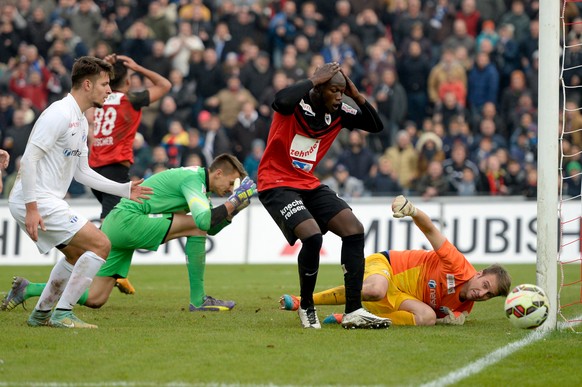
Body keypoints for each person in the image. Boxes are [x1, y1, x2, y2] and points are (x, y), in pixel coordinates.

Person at [2, 155, 256, 314]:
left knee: (95, 299)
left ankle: (29, 289)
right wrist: (234, 202)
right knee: (196, 226)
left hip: (119, 223)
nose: (229, 189)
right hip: (128, 221)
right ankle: (198, 300)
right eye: (231, 183)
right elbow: (203, 222)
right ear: (219, 173)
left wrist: (233, 210)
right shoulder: (194, 180)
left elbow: (210, 224)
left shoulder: (197, 182)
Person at [6, 56, 152, 329]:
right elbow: (28, 159)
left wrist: (124, 189)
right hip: (36, 198)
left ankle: (41, 315)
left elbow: (81, 172)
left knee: (75, 255)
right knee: (101, 244)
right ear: (87, 85)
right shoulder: (59, 114)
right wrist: (32, 208)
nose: (110, 90)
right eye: (105, 84)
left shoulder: (81, 120)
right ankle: (63, 314)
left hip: (43, 200)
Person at [257, 61, 391, 329]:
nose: (339, 97)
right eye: (334, 91)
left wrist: (356, 94)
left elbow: (376, 126)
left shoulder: (339, 110)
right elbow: (280, 101)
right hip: (275, 182)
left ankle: (354, 310)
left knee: (354, 229)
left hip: (306, 183)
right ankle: (306, 305)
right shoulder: (295, 103)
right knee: (313, 236)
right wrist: (313, 79)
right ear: (318, 89)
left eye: (342, 92)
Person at [279, 196, 512, 326]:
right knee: (377, 289)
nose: (482, 294)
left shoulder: (463, 308)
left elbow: (444, 317)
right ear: (480, 273)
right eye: (485, 286)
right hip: (388, 266)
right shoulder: (458, 265)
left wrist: (450, 321)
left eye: (488, 295)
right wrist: (412, 210)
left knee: (427, 318)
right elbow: (431, 230)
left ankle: (348, 319)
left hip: (402, 297)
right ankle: (303, 301)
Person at [90, 53, 171, 295]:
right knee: (110, 228)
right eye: (132, 77)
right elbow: (165, 85)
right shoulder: (130, 99)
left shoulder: (98, 97)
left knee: (120, 222)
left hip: (94, 167)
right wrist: (138, 65)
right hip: (114, 169)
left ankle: (118, 274)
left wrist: (103, 67)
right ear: (127, 81)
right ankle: (89, 275)